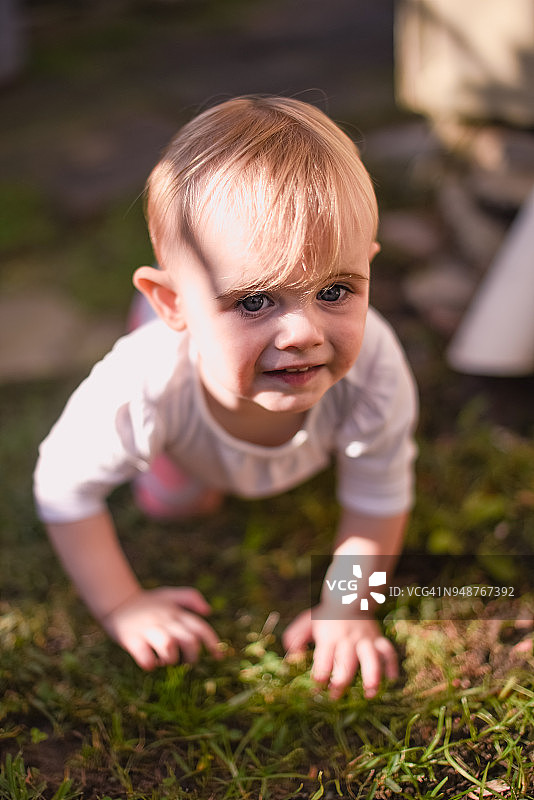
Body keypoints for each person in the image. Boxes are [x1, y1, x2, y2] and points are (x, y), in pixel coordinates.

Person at [34, 96, 418, 699]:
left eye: (335, 290)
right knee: (179, 506)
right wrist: (123, 606)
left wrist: (347, 608)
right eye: (255, 301)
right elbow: (62, 486)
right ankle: (167, 412)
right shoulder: (143, 384)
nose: (303, 333)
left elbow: (378, 492)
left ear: (368, 267)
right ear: (174, 305)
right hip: (187, 426)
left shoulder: (375, 364)